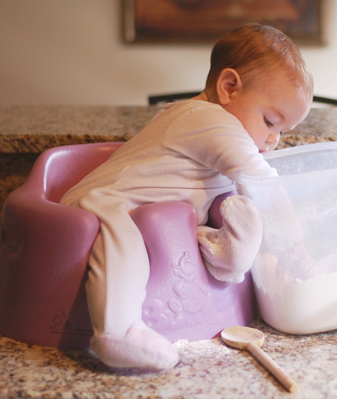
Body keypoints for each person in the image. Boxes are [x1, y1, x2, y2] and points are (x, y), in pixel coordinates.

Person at [60, 23, 313, 370]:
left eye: (282, 131)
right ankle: (117, 331)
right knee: (124, 239)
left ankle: (224, 259)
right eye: (270, 121)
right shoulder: (207, 119)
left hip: (148, 217)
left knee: (217, 218)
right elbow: (261, 182)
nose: (273, 140)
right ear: (229, 88)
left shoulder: (218, 131)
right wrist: (296, 246)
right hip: (98, 205)